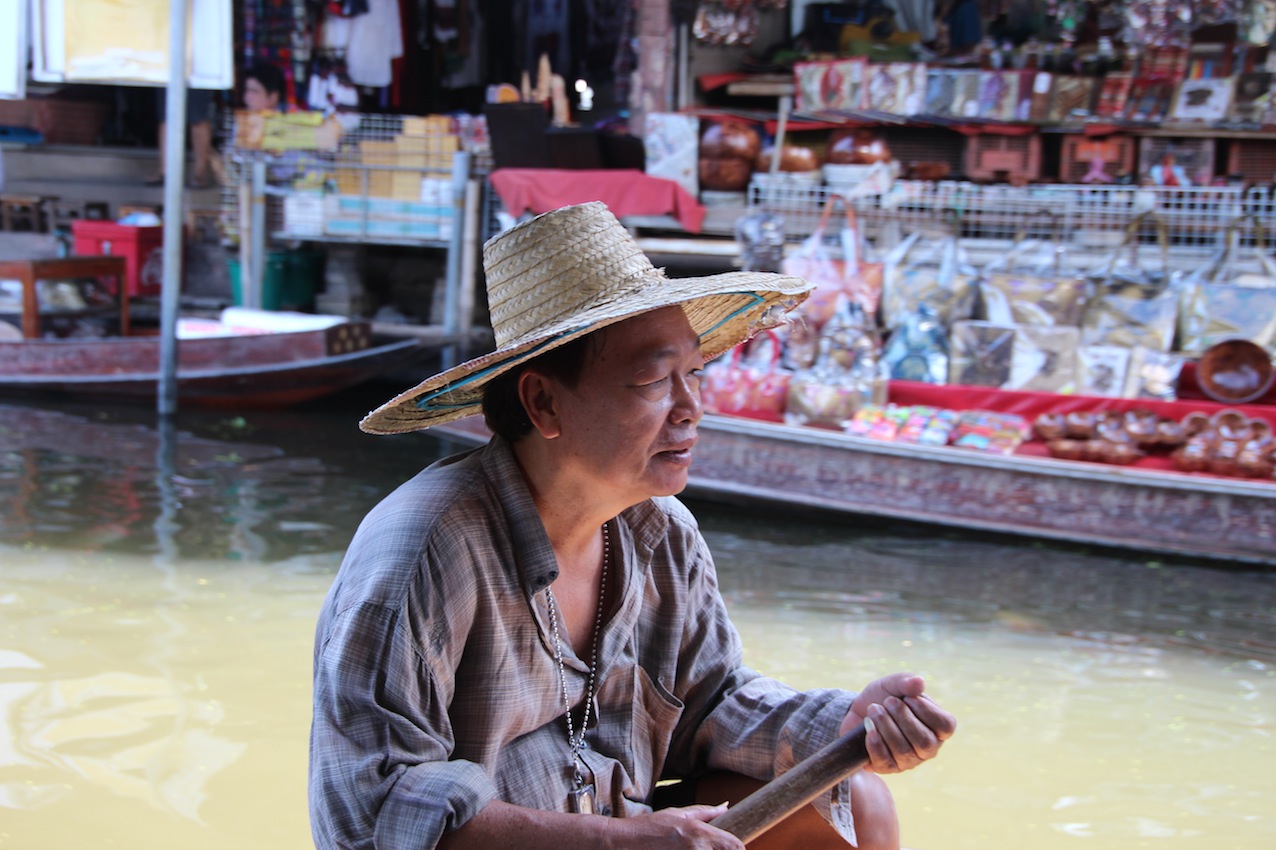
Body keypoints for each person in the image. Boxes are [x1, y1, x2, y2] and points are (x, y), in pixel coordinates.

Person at [309, 201, 957, 850]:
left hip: (627, 830)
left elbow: (710, 701)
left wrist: (845, 724)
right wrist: (615, 842)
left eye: (693, 373)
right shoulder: (425, 549)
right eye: (653, 380)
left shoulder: (661, 534)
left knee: (856, 805)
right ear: (543, 402)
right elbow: (375, 808)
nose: (691, 408)